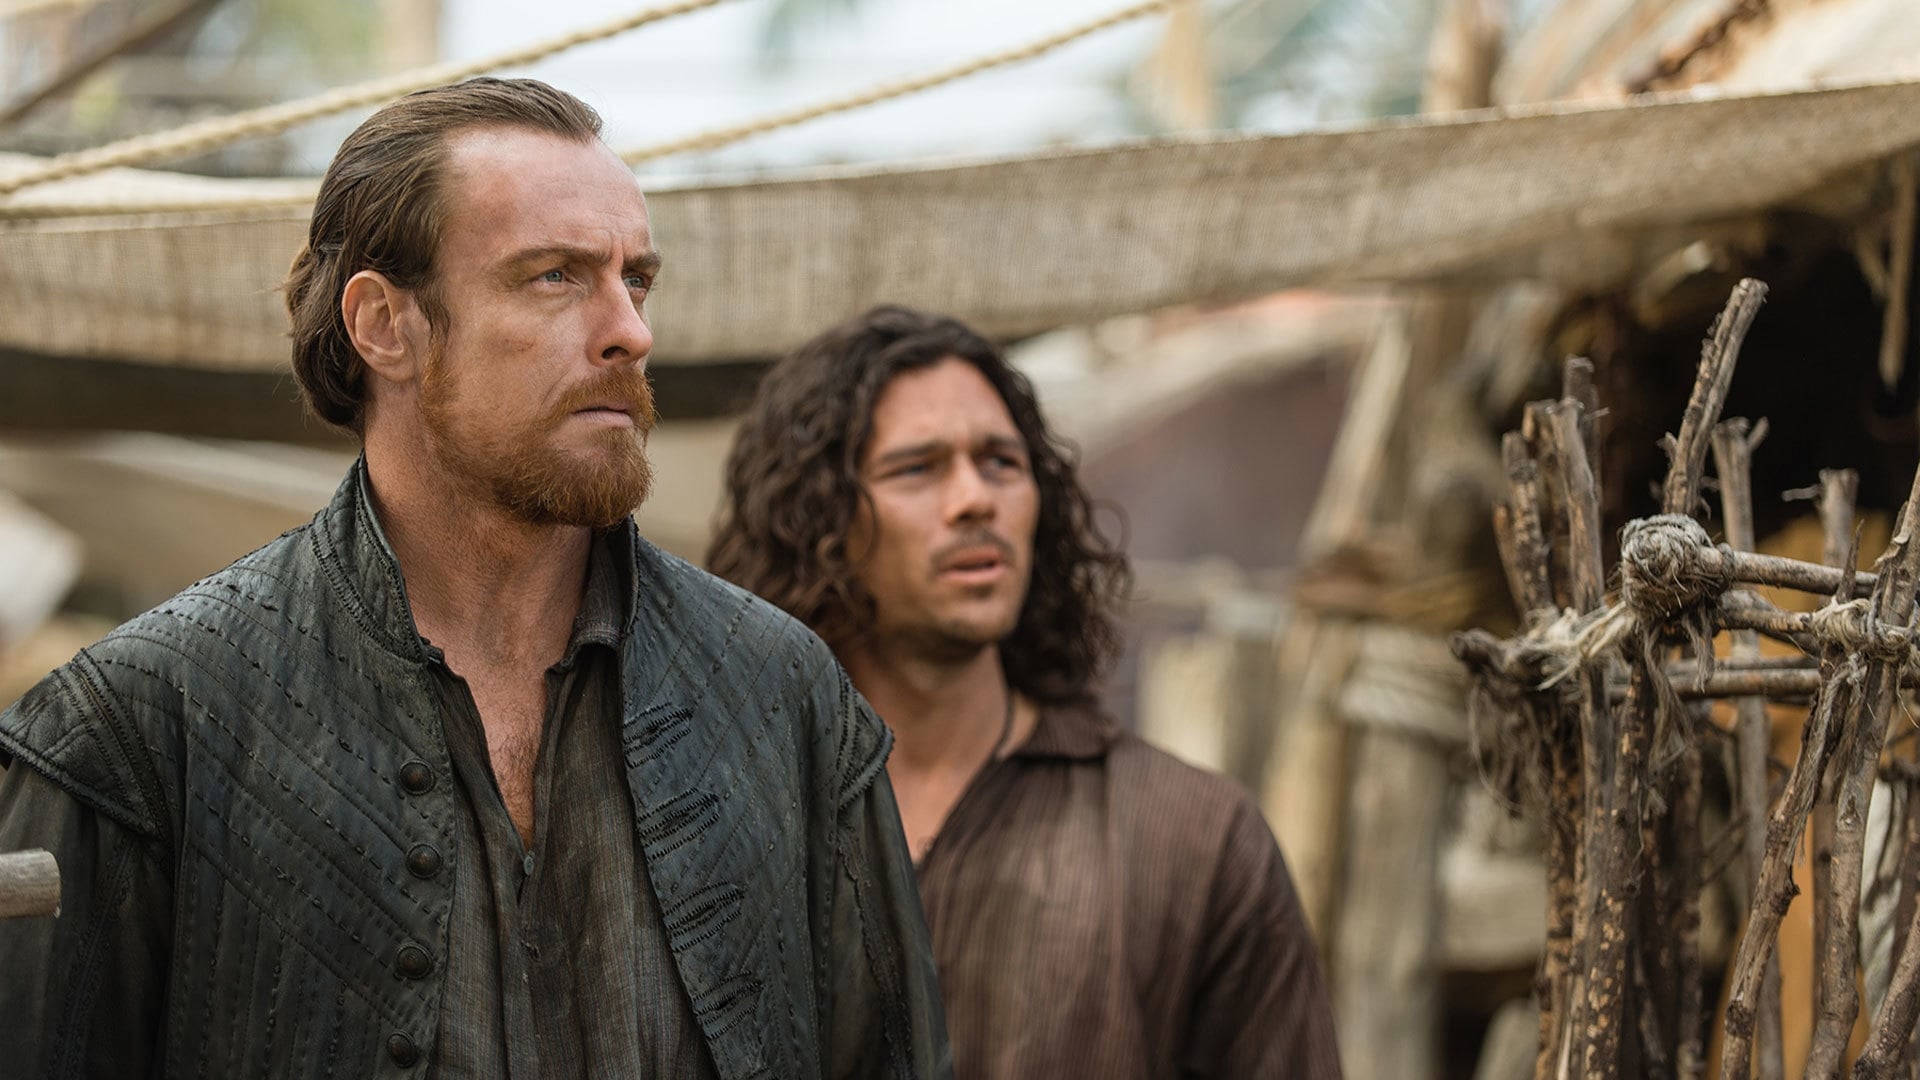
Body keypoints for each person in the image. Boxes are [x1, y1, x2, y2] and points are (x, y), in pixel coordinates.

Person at [0, 78, 948, 1079]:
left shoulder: (784, 696)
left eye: (636, 279)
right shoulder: (141, 724)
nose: (631, 331)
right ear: (384, 324)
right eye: (555, 276)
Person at [709, 306, 1342, 1078]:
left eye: (1002, 463)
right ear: (820, 521)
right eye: (918, 469)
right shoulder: (726, 830)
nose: (975, 498)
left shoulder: (1191, 840)